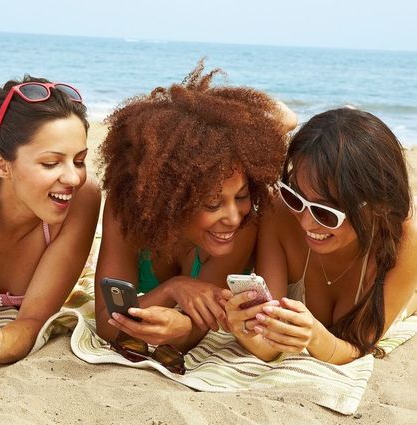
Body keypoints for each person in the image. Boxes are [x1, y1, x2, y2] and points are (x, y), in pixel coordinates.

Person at [95, 61, 296, 354]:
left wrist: (184, 326)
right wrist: (172, 288)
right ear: (169, 201)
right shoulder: (125, 212)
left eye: (241, 196)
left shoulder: (245, 225)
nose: (232, 217)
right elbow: (107, 323)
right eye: (213, 203)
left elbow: (196, 329)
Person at [225, 108, 417, 364]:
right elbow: (268, 344)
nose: (306, 222)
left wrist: (315, 337)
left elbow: (357, 349)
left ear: (377, 206)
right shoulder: (279, 214)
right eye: (296, 197)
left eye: (325, 212)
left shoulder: (405, 241)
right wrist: (243, 331)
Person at [0, 76, 101, 379]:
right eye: (51, 163)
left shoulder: (83, 198)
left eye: (79, 160)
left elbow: (33, 321)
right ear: (2, 165)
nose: (72, 178)